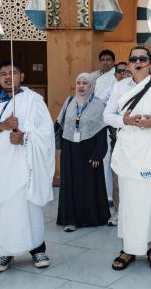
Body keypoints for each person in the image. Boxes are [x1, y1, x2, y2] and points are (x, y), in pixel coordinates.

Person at [0, 60, 54, 272]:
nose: (8, 77)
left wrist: (24, 137)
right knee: (3, 205)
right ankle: (5, 252)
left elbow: (46, 131)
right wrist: (1, 126)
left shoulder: (34, 100)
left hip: (25, 163)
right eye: (3, 74)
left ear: (22, 77)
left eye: (13, 73)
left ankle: (37, 249)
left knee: (28, 205)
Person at [104, 46, 151, 271]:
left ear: (150, 63)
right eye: (133, 59)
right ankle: (128, 248)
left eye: (143, 58)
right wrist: (125, 121)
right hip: (129, 152)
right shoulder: (119, 87)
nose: (138, 62)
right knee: (128, 203)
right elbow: (107, 116)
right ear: (128, 64)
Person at [56, 73, 110, 232]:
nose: (80, 86)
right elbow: (60, 124)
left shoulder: (99, 104)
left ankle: (90, 218)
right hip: (70, 150)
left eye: (85, 83)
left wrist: (98, 154)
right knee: (71, 184)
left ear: (92, 85)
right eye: (78, 83)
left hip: (89, 150)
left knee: (88, 183)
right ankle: (70, 219)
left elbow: (102, 130)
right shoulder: (69, 101)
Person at [92, 49, 117, 208]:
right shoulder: (95, 76)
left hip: (110, 123)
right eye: (103, 59)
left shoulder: (116, 77)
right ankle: (101, 193)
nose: (106, 62)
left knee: (109, 160)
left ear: (113, 61)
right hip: (96, 122)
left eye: (109, 59)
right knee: (100, 159)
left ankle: (110, 195)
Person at [107, 62, 130, 226]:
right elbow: (106, 116)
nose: (123, 74)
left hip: (141, 144)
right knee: (117, 179)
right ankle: (118, 211)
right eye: (120, 71)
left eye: (126, 71)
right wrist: (123, 121)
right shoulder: (112, 92)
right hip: (117, 141)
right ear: (115, 74)